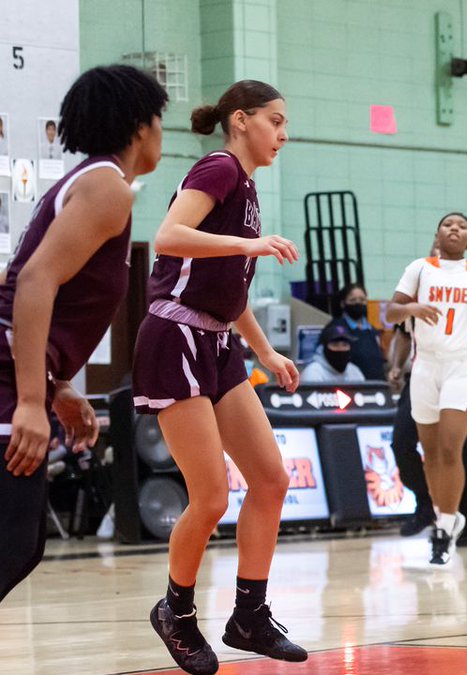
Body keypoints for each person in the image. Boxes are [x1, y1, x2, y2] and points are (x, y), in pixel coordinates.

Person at [134, 80, 307, 674]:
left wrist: (264, 353)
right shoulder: (218, 167)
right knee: (210, 496)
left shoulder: (247, 187)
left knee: (271, 478)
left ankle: (248, 615)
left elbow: (228, 292)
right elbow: (169, 236)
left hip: (218, 340)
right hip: (174, 335)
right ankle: (175, 612)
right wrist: (250, 243)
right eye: (276, 121)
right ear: (241, 120)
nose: (284, 134)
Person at [0, 64, 167, 604]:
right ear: (141, 127)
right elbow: (32, 281)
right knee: (11, 542)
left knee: (19, 546)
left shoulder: (94, 184)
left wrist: (58, 386)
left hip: (18, 369)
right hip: (5, 374)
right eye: (160, 119)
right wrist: (29, 399)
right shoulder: (106, 188)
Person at [386, 212, 467, 566]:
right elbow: (390, 313)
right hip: (425, 365)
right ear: (437, 235)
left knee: (452, 448)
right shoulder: (419, 268)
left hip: (463, 365)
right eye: (449, 224)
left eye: (463, 226)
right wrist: (411, 307)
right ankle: (446, 517)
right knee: (431, 452)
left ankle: (444, 529)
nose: (455, 229)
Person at [330, 283, 387, 381]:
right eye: (353, 300)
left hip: (377, 386)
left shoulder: (373, 330)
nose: (358, 303)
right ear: (343, 303)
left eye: (362, 300)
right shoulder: (335, 328)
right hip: (351, 385)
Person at [300, 323, 365, 383]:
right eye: (335, 345)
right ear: (324, 347)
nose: (341, 349)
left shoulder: (354, 371)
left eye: (345, 345)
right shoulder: (313, 373)